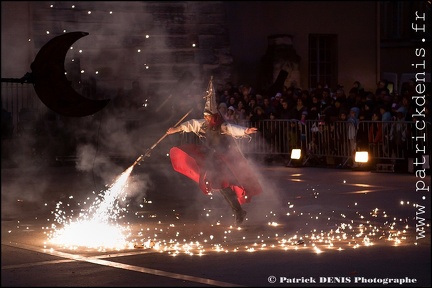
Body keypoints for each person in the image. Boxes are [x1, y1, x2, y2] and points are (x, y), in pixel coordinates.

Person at [166, 78, 262, 226]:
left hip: (223, 159)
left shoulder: (221, 126)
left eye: (208, 116)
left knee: (228, 184)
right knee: (222, 186)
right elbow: (190, 124)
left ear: (214, 116)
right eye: (205, 116)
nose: (205, 118)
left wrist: (246, 131)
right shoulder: (203, 124)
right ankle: (238, 212)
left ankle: (238, 211)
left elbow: (232, 129)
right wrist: (176, 129)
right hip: (210, 157)